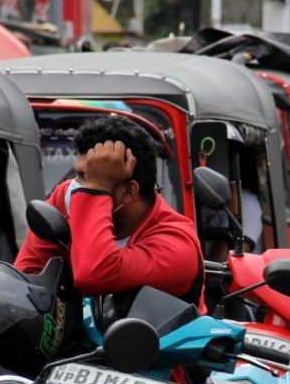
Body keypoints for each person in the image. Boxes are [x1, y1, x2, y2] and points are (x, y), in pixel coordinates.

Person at [15, 116, 205, 307]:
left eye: (87, 177)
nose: (76, 186)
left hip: (156, 336)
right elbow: (24, 280)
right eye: (80, 174)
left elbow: (93, 273)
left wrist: (96, 189)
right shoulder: (70, 196)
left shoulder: (177, 248)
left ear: (129, 191)